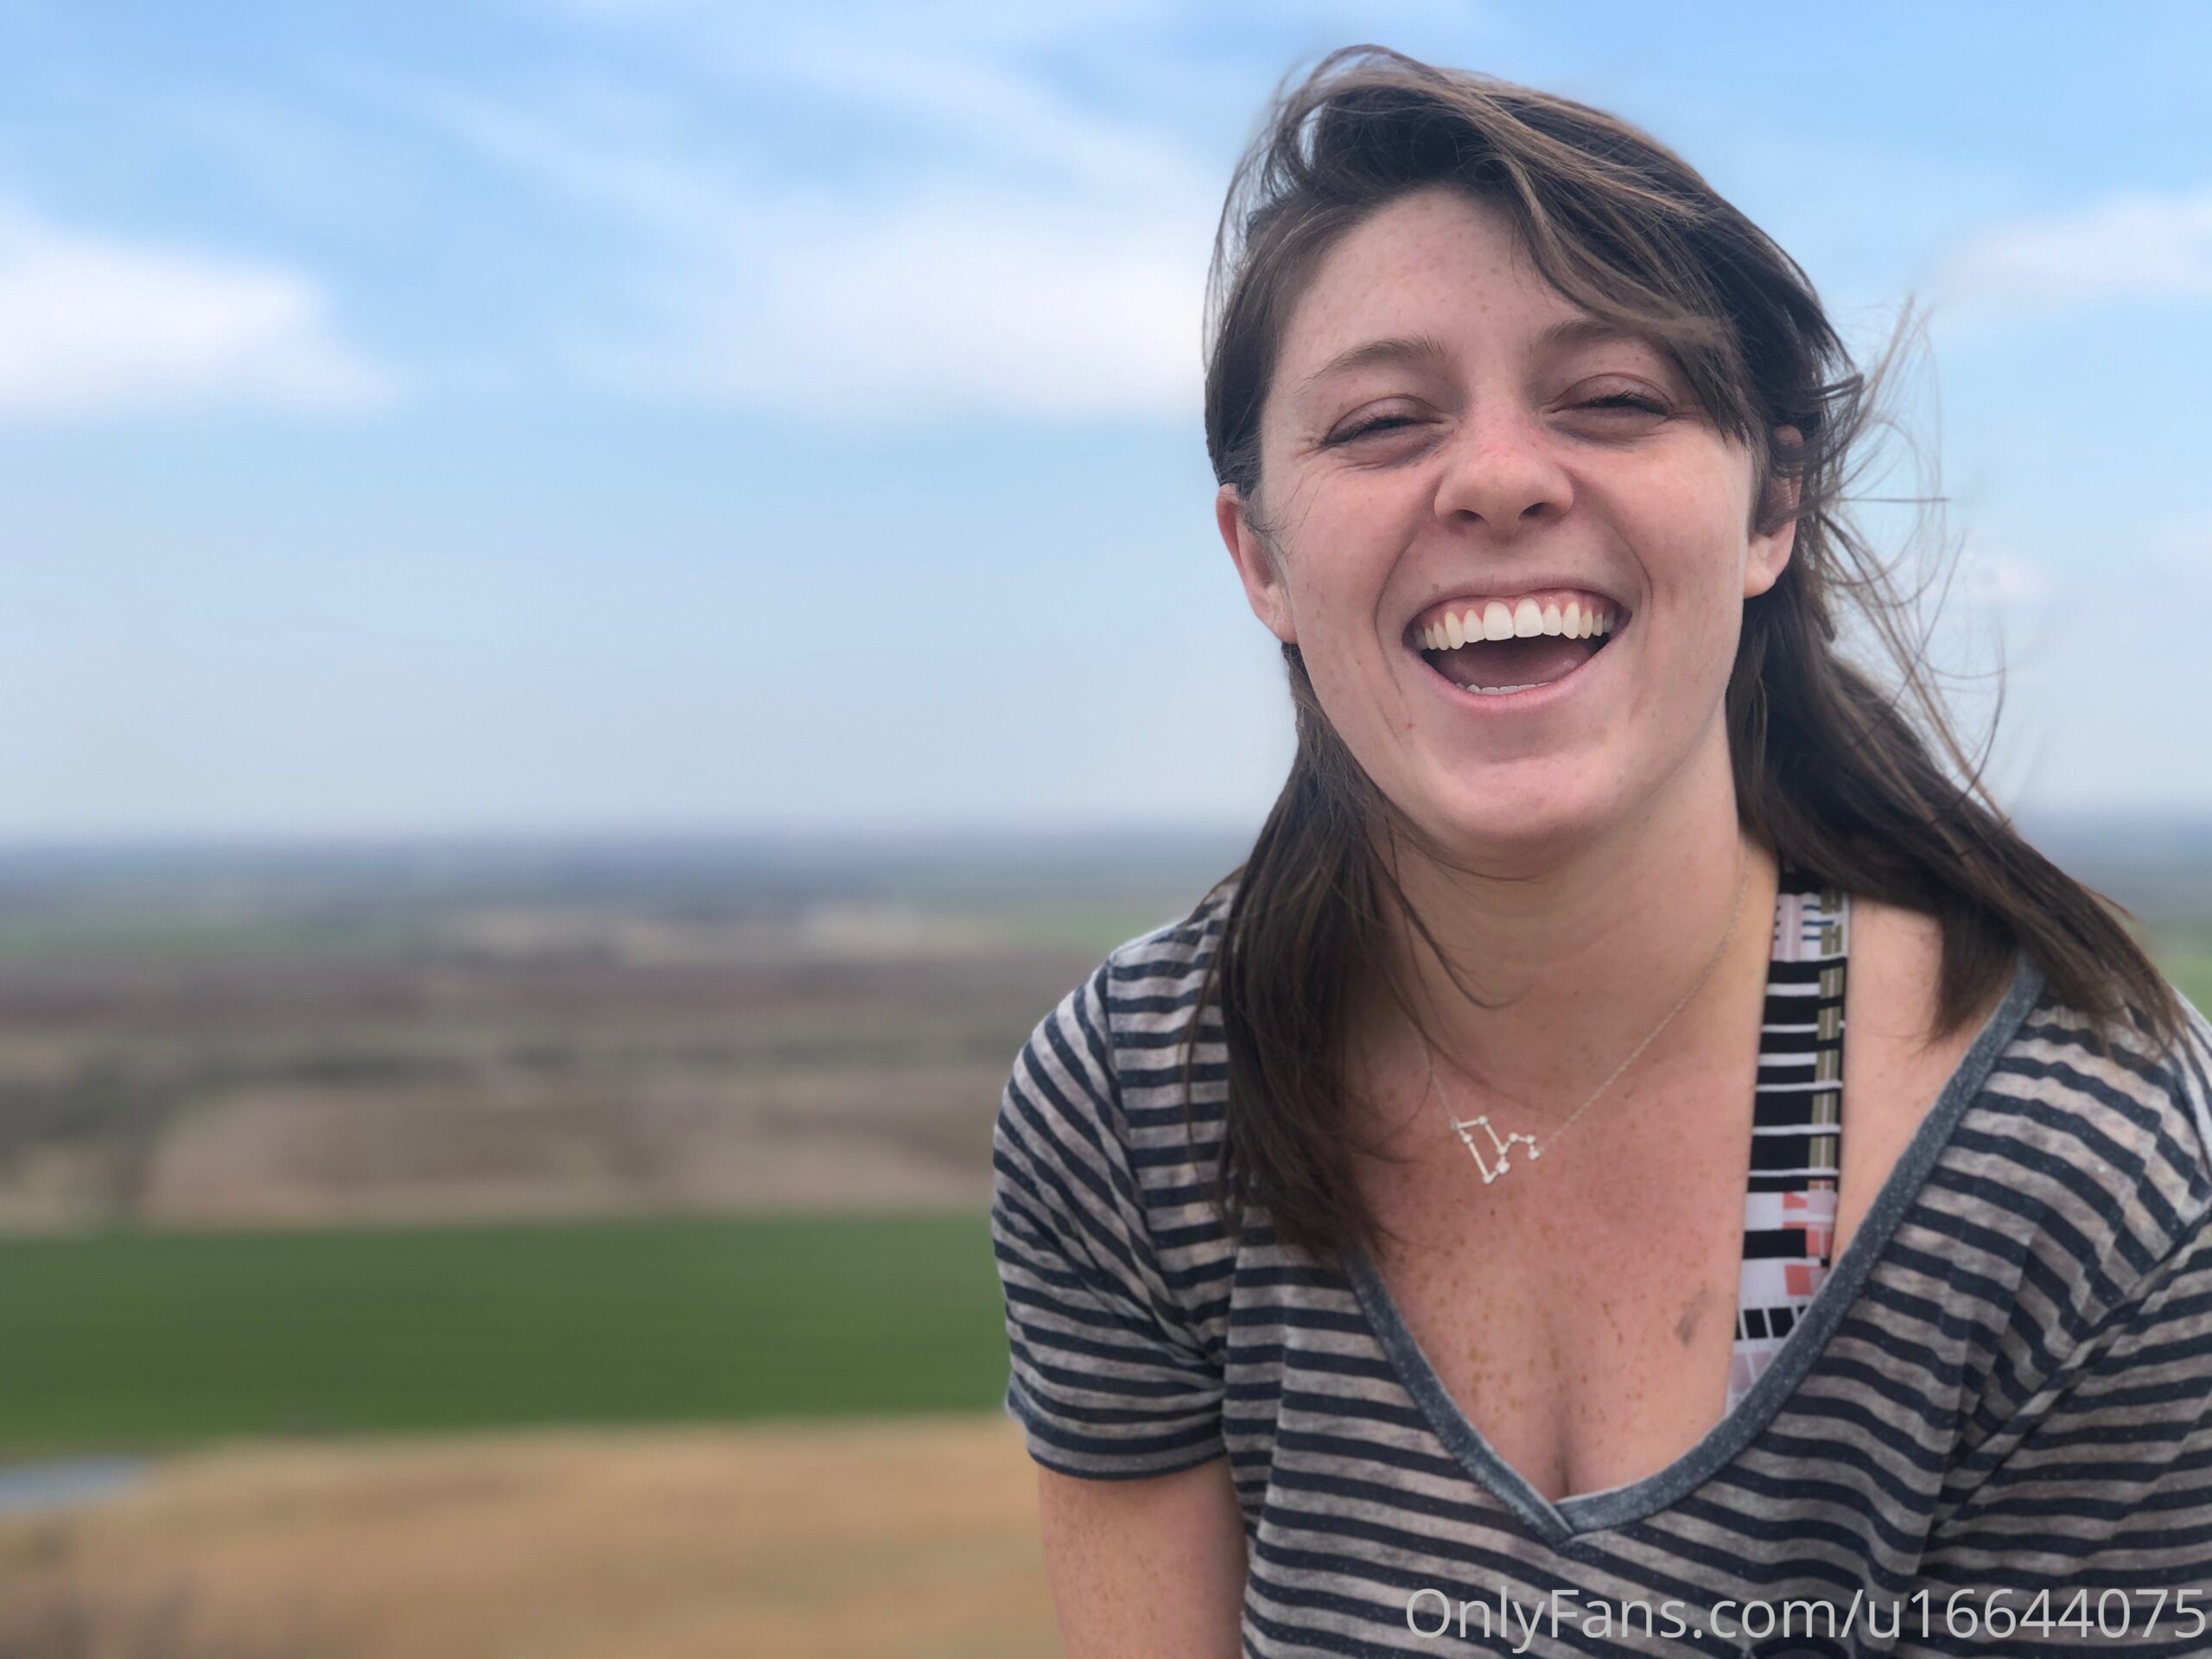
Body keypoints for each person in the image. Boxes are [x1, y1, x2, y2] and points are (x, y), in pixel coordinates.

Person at [989, 45, 2212, 1659]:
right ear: (1259, 558)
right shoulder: (1141, 1102)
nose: (1498, 479)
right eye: (1381, 422)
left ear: (1770, 510)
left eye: (1617, 400)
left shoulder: (2088, 1170)